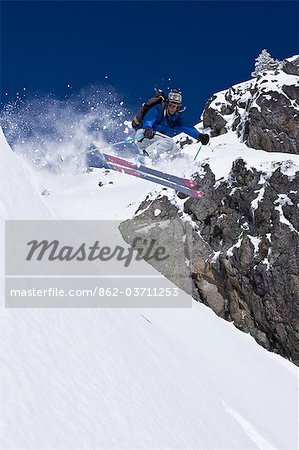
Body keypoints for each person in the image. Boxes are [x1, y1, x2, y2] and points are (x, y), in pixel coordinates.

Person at [134, 90, 210, 158]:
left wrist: (199, 136)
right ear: (167, 104)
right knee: (169, 142)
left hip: (155, 142)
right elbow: (149, 119)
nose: (174, 109)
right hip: (144, 135)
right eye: (172, 105)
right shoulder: (158, 108)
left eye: (177, 107)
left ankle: (166, 168)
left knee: (174, 149)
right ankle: (145, 157)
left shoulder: (172, 118)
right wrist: (148, 128)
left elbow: (186, 127)